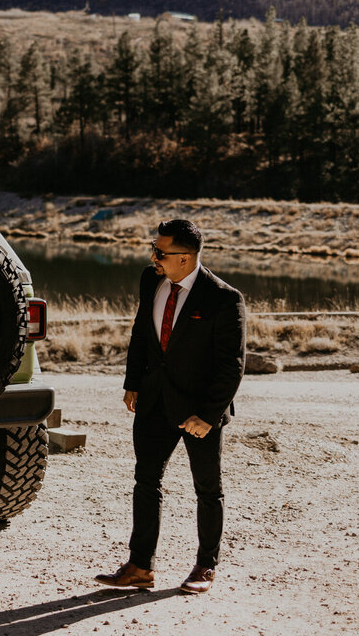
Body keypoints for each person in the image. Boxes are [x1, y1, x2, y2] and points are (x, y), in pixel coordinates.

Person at [94, 219, 245, 595]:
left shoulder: (225, 298)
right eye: (154, 249)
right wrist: (132, 383)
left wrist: (208, 416)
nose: (153, 257)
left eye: (160, 252)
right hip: (153, 402)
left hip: (199, 413)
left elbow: (232, 365)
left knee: (207, 489)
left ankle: (205, 567)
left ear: (185, 257)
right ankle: (139, 567)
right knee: (146, 481)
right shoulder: (151, 280)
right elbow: (140, 333)